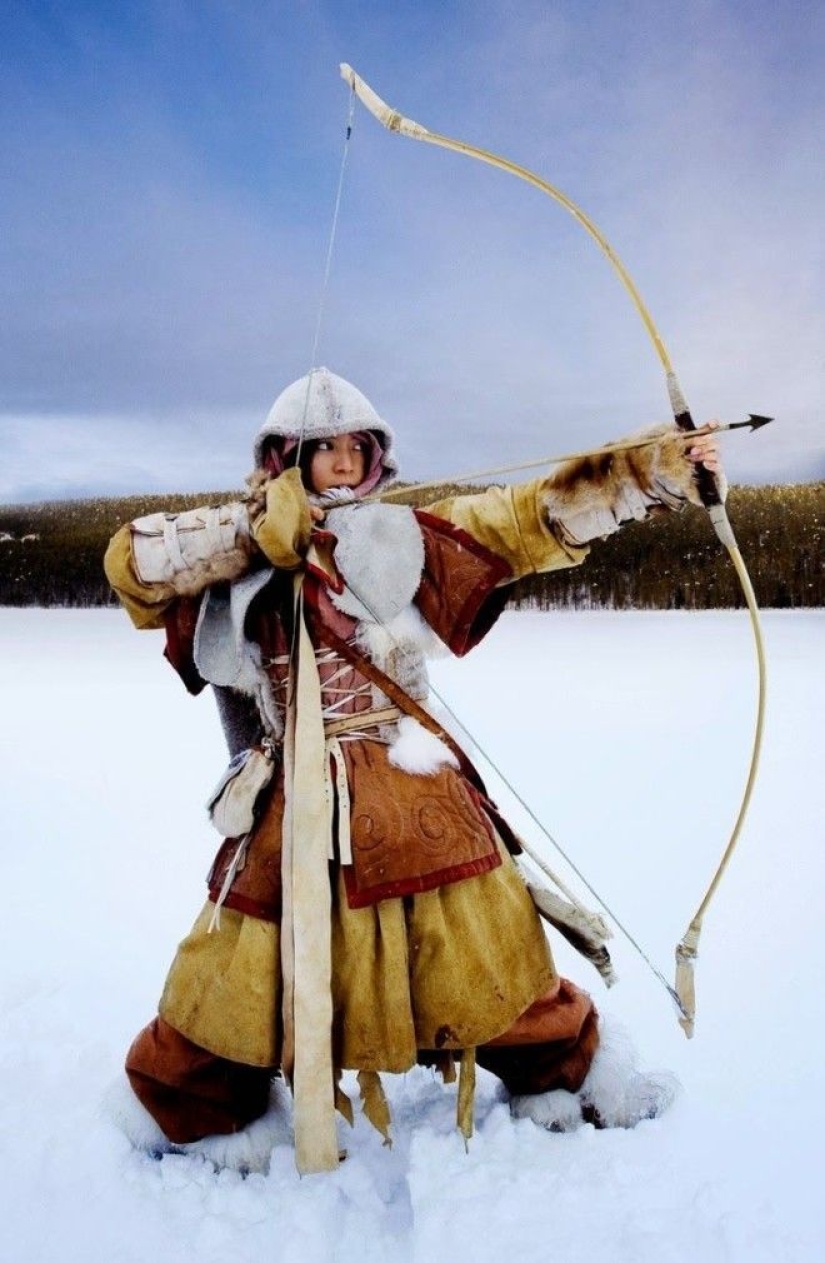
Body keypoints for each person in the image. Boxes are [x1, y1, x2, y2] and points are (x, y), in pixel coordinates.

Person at [103, 368, 724, 1175]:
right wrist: (252, 532)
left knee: (483, 946)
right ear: (284, 455)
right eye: (322, 446)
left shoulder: (408, 535)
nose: (342, 459)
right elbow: (131, 564)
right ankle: (189, 1104)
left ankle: (567, 1075)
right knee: (239, 965)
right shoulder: (238, 548)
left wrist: (655, 469)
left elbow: (528, 516)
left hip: (409, 776)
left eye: (355, 446)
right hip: (293, 795)